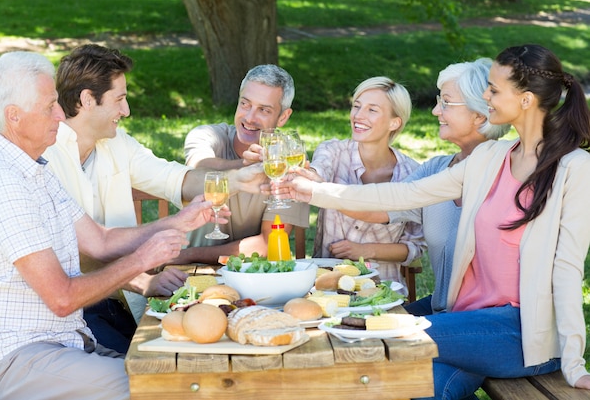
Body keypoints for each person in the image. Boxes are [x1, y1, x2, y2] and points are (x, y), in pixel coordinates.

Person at [282, 44, 590, 397]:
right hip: (465, 321)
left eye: (494, 89)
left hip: (519, 332)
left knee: (383, 331)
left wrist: (574, 363)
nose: (486, 97)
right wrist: (314, 193)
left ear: (525, 100)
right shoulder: (490, 157)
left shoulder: (573, 169)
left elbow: (567, 270)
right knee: (421, 389)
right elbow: (404, 195)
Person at [0, 51, 217, 400]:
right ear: (14, 117)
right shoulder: (4, 186)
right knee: (162, 387)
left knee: (173, 371)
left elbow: (101, 240)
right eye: (50, 106)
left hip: (60, 344)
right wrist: (142, 261)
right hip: (12, 358)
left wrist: (178, 221)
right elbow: (62, 298)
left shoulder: (35, 172)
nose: (60, 114)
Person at [42, 44, 259, 351]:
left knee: (182, 352)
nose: (126, 111)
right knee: (146, 371)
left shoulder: (116, 144)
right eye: (119, 99)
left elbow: (177, 179)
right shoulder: (45, 157)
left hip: (115, 302)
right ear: (87, 100)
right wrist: (144, 279)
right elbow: (85, 252)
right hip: (67, 315)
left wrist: (237, 179)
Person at [391, 58, 510, 315]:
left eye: (445, 102)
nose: (435, 111)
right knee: (369, 327)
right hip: (444, 308)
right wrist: (319, 189)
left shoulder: (512, 172)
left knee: (394, 343)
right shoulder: (436, 168)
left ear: (479, 115)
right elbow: (383, 207)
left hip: (490, 319)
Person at [176, 64, 309, 264]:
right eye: (245, 104)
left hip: (253, 278)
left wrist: (186, 255)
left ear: (283, 117)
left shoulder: (288, 160)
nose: (249, 117)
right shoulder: (206, 136)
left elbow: (267, 243)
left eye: (263, 110)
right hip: (190, 273)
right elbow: (198, 168)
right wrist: (243, 164)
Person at [308, 76, 426, 288]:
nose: (358, 116)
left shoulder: (413, 174)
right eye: (356, 106)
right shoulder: (333, 152)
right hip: (326, 287)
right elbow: (317, 174)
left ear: (394, 122)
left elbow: (414, 247)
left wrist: (364, 250)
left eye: (372, 110)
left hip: (384, 289)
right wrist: (309, 177)